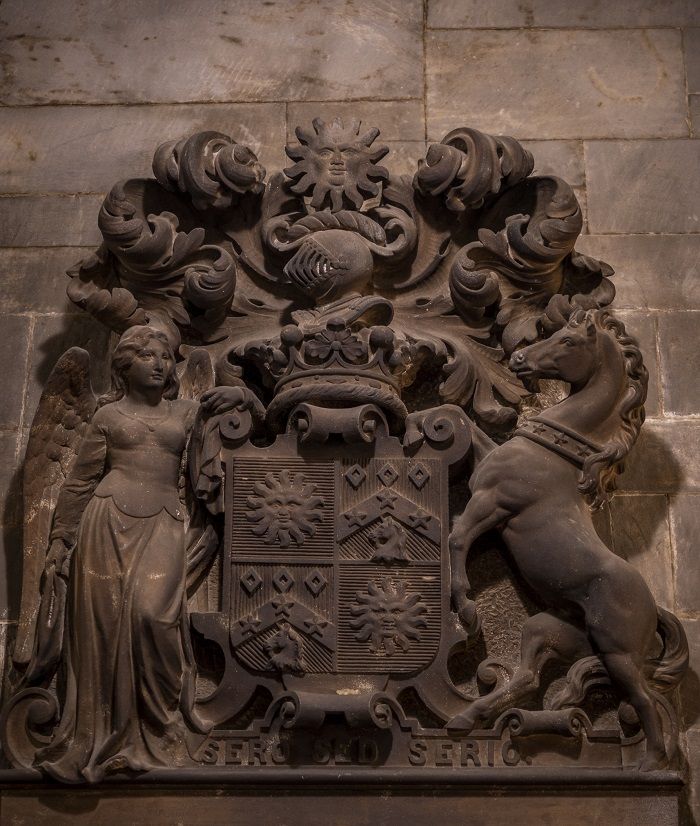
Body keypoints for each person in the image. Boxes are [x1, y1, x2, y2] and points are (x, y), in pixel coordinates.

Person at [37, 325, 245, 783]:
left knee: (152, 616)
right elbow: (79, 482)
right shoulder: (107, 417)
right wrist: (60, 538)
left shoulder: (186, 412)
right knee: (108, 627)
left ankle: (158, 728)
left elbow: (239, 420)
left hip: (163, 524)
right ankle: (111, 734)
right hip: (106, 522)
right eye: (148, 356)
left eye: (166, 357)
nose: (160, 364)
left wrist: (241, 397)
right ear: (124, 365)